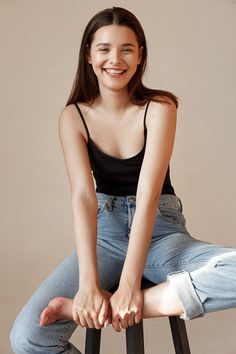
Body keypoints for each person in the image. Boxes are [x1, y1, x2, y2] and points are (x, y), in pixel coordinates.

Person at [10, 6, 236, 354]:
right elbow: (84, 198)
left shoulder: (160, 108)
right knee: (27, 337)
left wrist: (131, 288)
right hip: (106, 234)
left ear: (140, 55)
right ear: (88, 54)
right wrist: (88, 285)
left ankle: (144, 302)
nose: (115, 59)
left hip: (160, 231)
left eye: (126, 48)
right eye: (104, 48)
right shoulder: (73, 117)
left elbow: (147, 195)